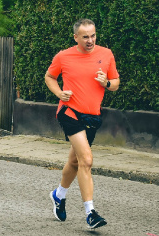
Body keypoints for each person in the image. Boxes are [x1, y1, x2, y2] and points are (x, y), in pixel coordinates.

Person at [45, 18, 120, 229]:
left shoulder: (106, 54)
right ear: (75, 37)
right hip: (70, 112)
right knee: (86, 160)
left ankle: (58, 195)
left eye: (93, 35)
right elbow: (49, 76)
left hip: (93, 116)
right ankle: (90, 213)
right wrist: (60, 93)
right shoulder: (64, 56)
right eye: (85, 36)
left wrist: (106, 83)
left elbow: (115, 83)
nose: (90, 40)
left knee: (76, 161)